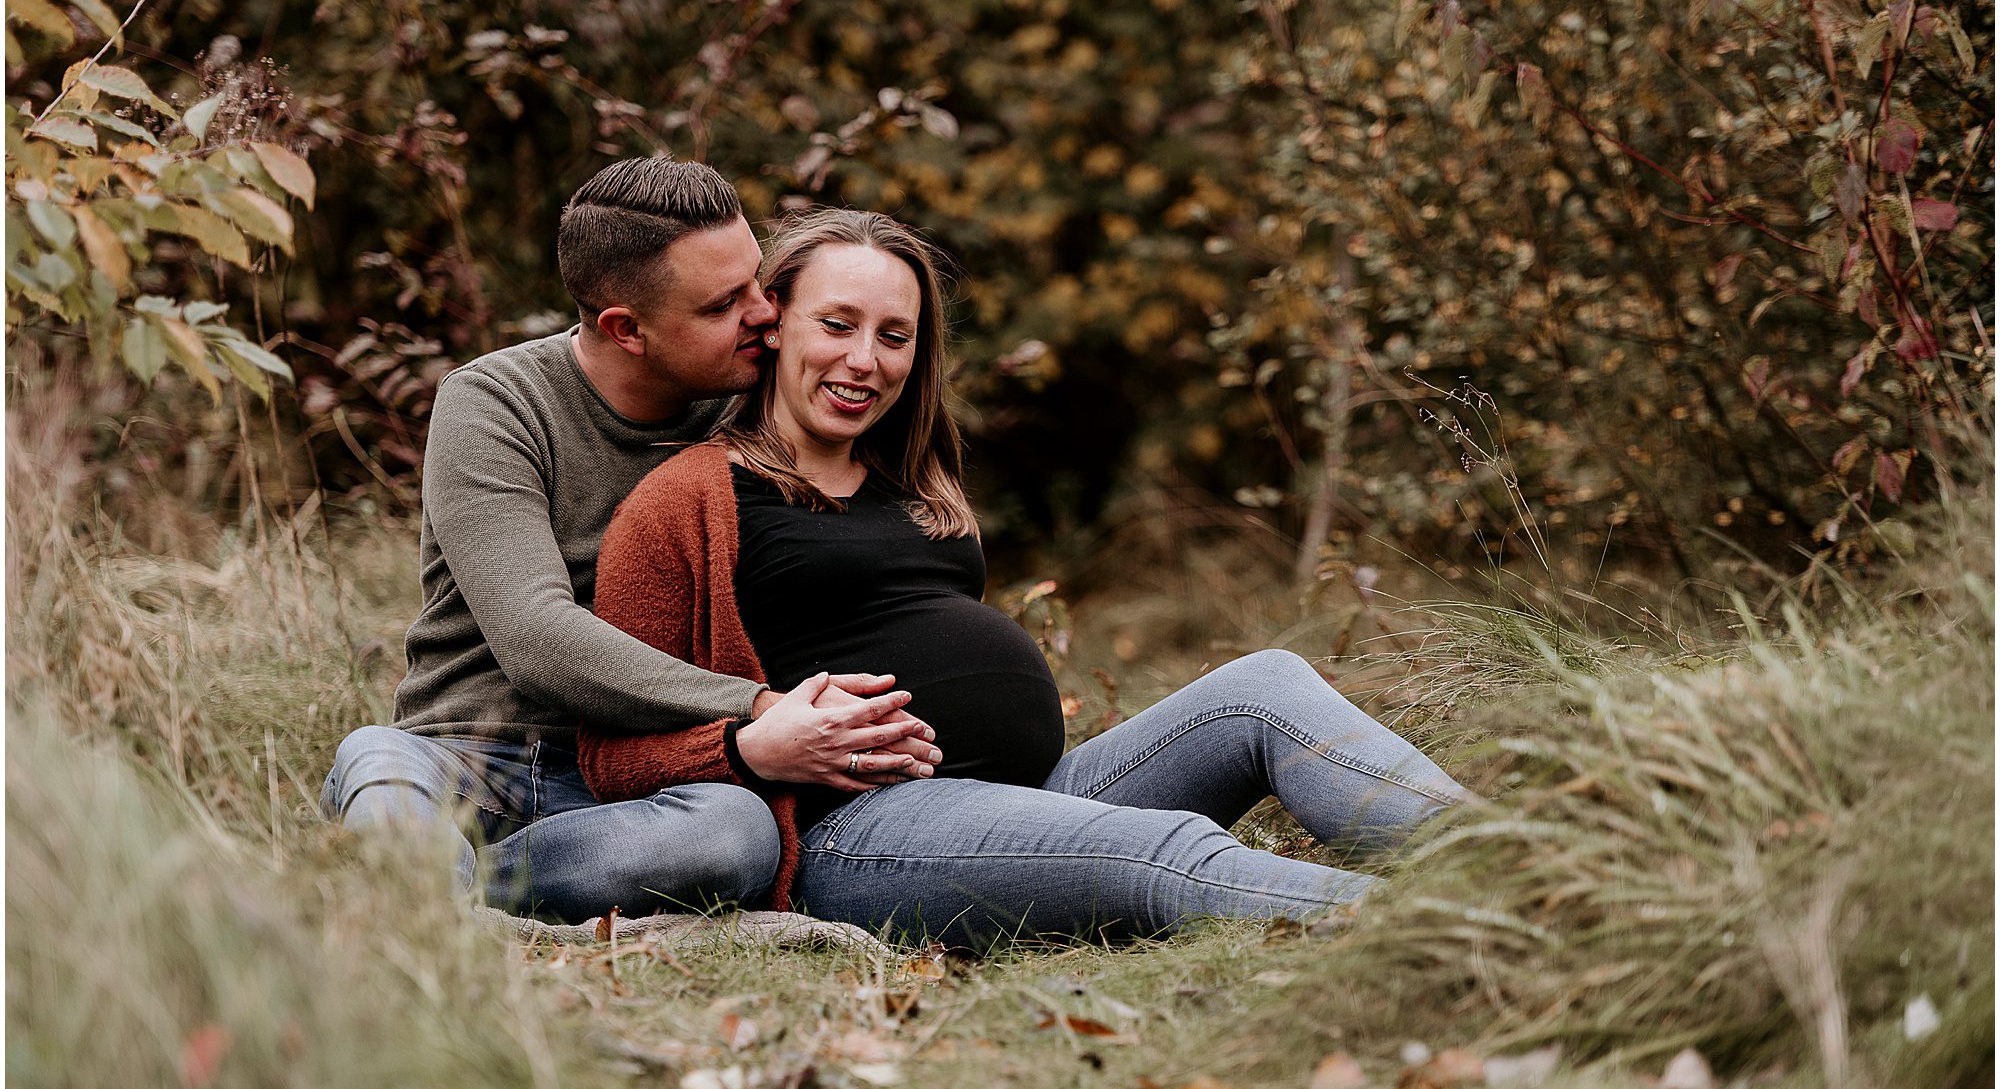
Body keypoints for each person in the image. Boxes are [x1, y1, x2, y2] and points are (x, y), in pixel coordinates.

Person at [579, 209, 1472, 947]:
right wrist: (747, 747)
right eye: (837, 324)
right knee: (1166, 850)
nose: (866, 360)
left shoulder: (909, 482)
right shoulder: (686, 500)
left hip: (1026, 797)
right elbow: (611, 758)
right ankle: (1457, 928)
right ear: (775, 323)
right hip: (863, 833)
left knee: (1264, 687)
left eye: (895, 336)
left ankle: (1511, 863)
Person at [318, 161, 941, 923]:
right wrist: (758, 706)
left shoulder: (752, 408)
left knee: (735, 833)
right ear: (626, 329)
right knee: (377, 757)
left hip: (627, 785)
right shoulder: (497, 402)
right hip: (467, 757)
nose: (765, 314)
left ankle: (462, 892)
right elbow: (536, 636)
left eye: (757, 283)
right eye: (723, 304)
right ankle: (427, 891)